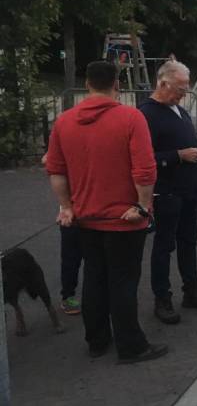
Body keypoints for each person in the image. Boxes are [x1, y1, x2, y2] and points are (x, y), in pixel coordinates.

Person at [45, 60, 167, 363]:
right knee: (123, 283)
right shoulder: (131, 118)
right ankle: (131, 346)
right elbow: (145, 170)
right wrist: (143, 206)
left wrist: (67, 207)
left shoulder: (64, 122)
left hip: (86, 218)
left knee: (94, 279)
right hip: (123, 219)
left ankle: (97, 341)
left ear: (87, 84)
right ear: (117, 84)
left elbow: (56, 170)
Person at [139, 59, 197, 324]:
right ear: (163, 83)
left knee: (189, 242)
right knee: (164, 246)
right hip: (166, 192)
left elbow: (186, 146)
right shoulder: (146, 114)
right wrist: (177, 155)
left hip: (189, 190)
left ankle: (192, 290)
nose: (184, 94)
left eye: (186, 88)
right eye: (180, 88)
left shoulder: (179, 110)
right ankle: (162, 298)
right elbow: (143, 158)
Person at [42, 153, 83, 315]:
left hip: (94, 210)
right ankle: (68, 295)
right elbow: (47, 159)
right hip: (70, 212)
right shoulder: (65, 139)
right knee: (71, 258)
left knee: (96, 258)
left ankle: (98, 295)